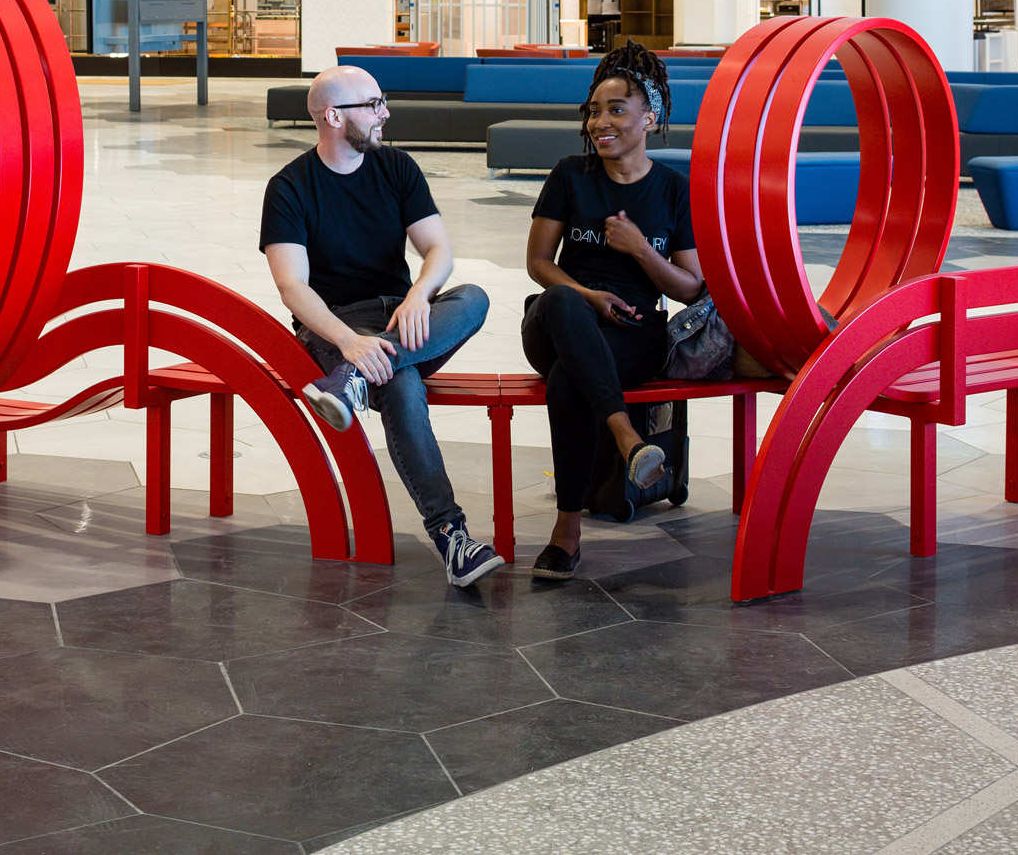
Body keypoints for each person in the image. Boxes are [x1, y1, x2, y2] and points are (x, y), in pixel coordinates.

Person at [261, 65, 503, 586]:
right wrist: (349, 344)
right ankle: (452, 537)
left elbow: (438, 248)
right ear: (332, 116)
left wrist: (419, 294)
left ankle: (352, 384)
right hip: (335, 327)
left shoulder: (395, 167)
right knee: (400, 382)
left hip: (402, 316)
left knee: (474, 298)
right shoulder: (289, 188)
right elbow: (293, 288)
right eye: (373, 104)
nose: (385, 113)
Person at [521, 43, 705, 579]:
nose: (601, 122)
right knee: (561, 300)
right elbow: (538, 263)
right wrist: (587, 296)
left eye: (616, 110)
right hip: (556, 320)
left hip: (632, 331)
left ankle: (567, 533)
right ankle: (627, 436)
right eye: (594, 111)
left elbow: (692, 289)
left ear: (649, 118)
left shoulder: (673, 189)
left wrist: (641, 249)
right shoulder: (570, 175)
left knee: (567, 381)